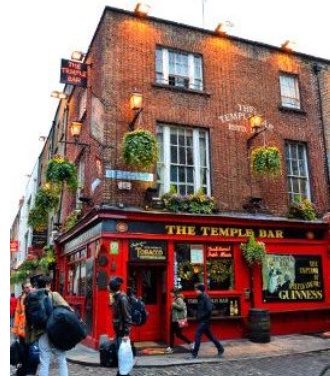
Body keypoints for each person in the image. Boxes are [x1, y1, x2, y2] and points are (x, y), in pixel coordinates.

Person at [25, 275, 70, 376]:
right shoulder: (54, 295)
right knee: (61, 359)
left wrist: (28, 339)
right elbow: (68, 310)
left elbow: (28, 321)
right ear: (47, 285)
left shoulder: (31, 298)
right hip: (55, 332)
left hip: (41, 333)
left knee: (44, 361)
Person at [191, 283, 224, 359]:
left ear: (200, 290)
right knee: (210, 336)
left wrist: (202, 316)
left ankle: (194, 354)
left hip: (204, 320)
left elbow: (209, 310)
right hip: (202, 320)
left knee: (197, 335)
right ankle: (220, 348)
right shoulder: (200, 297)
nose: (195, 291)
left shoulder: (206, 298)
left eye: (196, 290)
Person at [12, 281, 38, 376]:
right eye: (26, 287)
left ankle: (31, 371)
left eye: (30, 286)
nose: (28, 288)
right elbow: (17, 315)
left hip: (32, 331)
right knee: (24, 352)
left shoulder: (36, 297)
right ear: (23, 289)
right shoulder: (20, 299)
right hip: (22, 332)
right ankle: (25, 370)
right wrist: (15, 331)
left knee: (33, 351)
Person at [108, 276, 133, 376]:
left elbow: (127, 317)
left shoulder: (122, 299)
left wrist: (126, 333)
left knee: (123, 356)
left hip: (123, 333)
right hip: (118, 332)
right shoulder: (117, 297)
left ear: (112, 287)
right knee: (120, 356)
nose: (107, 287)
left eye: (109, 285)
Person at [165, 288, 193, 354]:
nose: (170, 294)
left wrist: (173, 304)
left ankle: (190, 342)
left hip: (178, 320)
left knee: (178, 334)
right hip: (174, 319)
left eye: (171, 292)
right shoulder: (175, 299)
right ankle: (171, 347)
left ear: (175, 293)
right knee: (171, 333)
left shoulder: (179, 299)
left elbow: (181, 307)